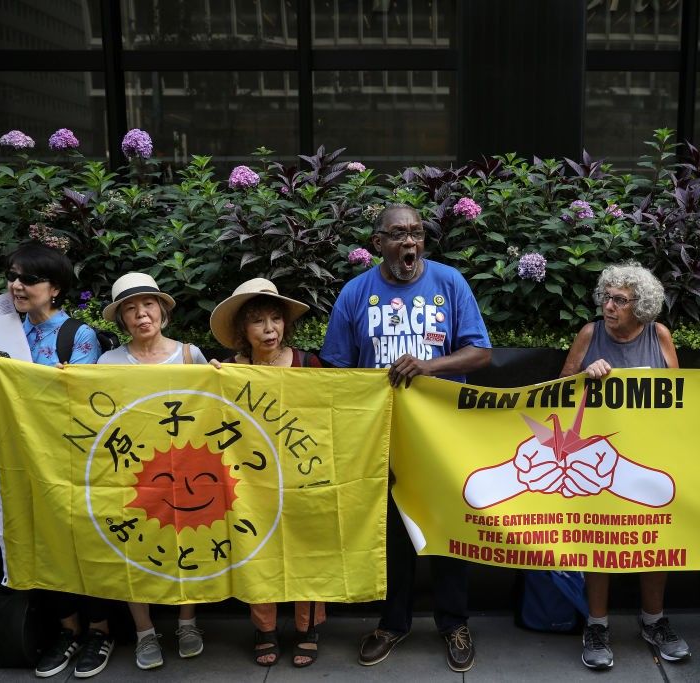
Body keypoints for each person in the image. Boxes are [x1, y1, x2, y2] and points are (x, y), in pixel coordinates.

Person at [320, 203, 491, 672]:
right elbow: (337, 367)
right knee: (392, 535)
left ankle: (454, 623)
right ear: (378, 243)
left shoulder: (450, 283)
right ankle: (392, 623)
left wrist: (428, 366)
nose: (409, 242)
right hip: (381, 439)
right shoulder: (356, 293)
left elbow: (480, 354)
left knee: (449, 530)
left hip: (442, 438)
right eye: (398, 235)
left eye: (416, 233)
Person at [0, 241, 113, 679]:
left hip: (72, 462)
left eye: (29, 278)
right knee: (41, 543)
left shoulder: (78, 336)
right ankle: (67, 631)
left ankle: (100, 631)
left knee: (84, 546)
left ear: (56, 289)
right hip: (23, 463)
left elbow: (81, 399)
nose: (17, 285)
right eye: (13, 276)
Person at [558, 261, 691, 669]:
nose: (609, 306)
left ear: (642, 305)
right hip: (596, 464)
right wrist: (584, 376)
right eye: (606, 297)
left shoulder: (659, 334)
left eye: (619, 300)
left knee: (654, 543)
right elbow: (557, 391)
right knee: (600, 544)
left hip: (652, 457)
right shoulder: (589, 334)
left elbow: (681, 395)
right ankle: (596, 626)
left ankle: (653, 621)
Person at [208, 277, 324, 667]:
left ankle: (308, 628)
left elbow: (330, 416)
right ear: (243, 329)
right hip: (250, 480)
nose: (269, 329)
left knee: (306, 548)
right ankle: (265, 629)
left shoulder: (309, 363)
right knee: (257, 551)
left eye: (276, 319)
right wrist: (209, 381)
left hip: (302, 474)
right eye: (258, 321)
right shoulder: (225, 370)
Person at [96, 272, 210, 670]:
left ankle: (187, 623)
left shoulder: (190, 355)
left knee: (188, 544)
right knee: (133, 550)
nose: (141, 314)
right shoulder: (107, 362)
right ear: (122, 319)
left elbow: (215, 406)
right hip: (130, 474)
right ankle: (145, 633)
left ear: (162, 311)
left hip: (186, 473)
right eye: (130, 307)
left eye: (147, 305)